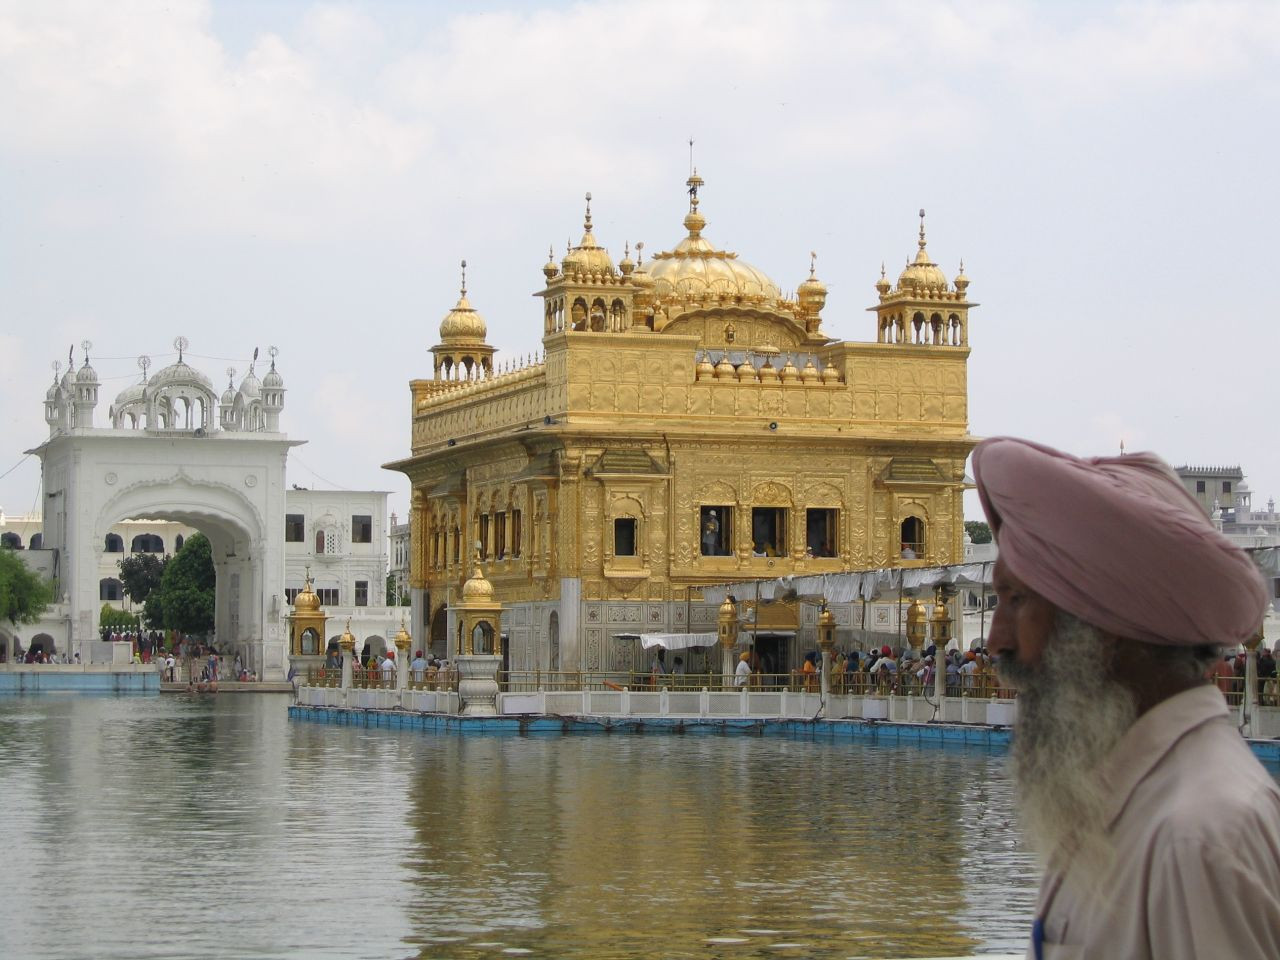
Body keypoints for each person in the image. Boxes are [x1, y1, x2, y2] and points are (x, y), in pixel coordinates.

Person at [973, 436, 1280, 959]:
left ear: (1103, 625)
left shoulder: (1198, 837)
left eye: (1018, 601)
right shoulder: (1128, 802)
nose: (996, 640)